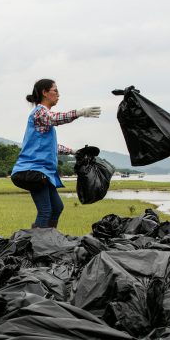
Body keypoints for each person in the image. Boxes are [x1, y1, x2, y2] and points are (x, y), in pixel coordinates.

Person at [10, 79, 100, 229]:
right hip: (33, 171)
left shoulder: (43, 118)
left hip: (43, 172)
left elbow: (52, 146)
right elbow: (55, 119)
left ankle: (50, 240)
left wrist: (74, 152)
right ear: (45, 93)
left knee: (57, 208)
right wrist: (79, 112)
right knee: (45, 211)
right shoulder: (40, 112)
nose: (58, 94)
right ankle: (37, 244)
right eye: (55, 91)